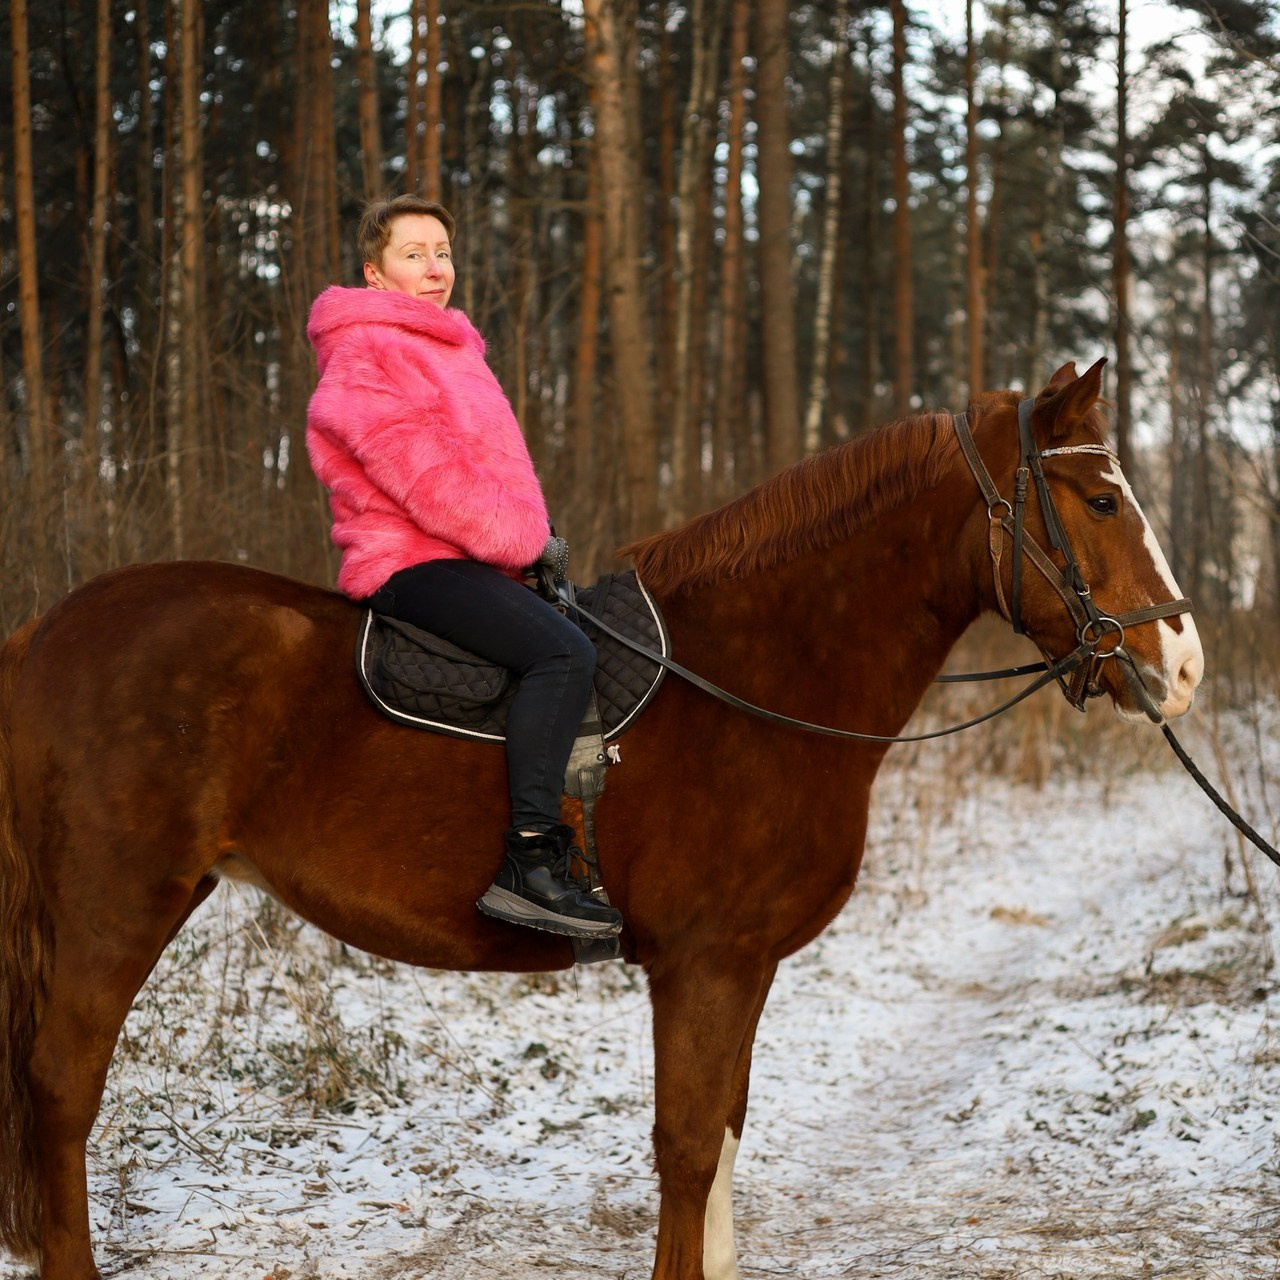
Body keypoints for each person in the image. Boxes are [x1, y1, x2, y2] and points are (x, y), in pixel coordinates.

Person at [305, 194, 623, 941]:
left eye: (442, 252)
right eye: (412, 253)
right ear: (375, 272)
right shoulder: (365, 350)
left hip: (476, 555)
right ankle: (531, 863)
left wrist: (537, 535)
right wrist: (522, 540)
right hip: (410, 558)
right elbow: (428, 476)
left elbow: (488, 468)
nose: (433, 268)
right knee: (560, 650)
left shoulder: (451, 346)